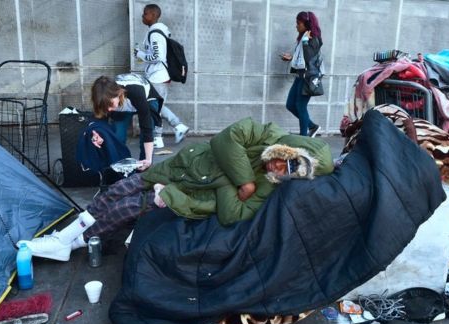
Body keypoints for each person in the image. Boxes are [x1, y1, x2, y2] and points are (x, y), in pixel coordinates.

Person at [19, 117, 334, 261]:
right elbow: (227, 139)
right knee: (117, 191)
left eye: (290, 173)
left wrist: (231, 179)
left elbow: (231, 214)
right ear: (287, 148)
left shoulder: (268, 187)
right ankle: (63, 237)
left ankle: (73, 245)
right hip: (182, 166)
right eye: (287, 161)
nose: (280, 169)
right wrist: (243, 181)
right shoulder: (268, 133)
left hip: (188, 196)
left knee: (125, 208)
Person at [134, 3, 190, 148]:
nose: (142, 16)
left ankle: (161, 136)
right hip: (156, 76)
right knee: (155, 106)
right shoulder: (155, 32)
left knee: (154, 107)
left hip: (158, 77)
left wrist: (140, 54)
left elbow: (157, 57)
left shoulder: (155, 33)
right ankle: (175, 127)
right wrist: (143, 55)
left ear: (153, 15)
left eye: (145, 14)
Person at [91, 74, 164, 171]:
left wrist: (148, 159)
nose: (108, 109)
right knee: (118, 135)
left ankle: (143, 169)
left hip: (147, 99)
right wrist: (95, 134)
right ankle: (120, 168)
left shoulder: (135, 92)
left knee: (147, 131)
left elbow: (146, 128)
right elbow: (98, 122)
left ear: (117, 94)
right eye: (105, 106)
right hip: (123, 103)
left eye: (110, 104)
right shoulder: (104, 97)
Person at [280, 11, 323, 137]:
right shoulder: (303, 38)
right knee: (290, 105)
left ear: (307, 24)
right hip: (300, 76)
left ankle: (303, 137)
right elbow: (302, 59)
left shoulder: (314, 39)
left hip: (308, 79)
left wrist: (305, 42)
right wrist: (291, 58)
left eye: (298, 23)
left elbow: (309, 56)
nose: (296, 26)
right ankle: (312, 126)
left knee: (300, 106)